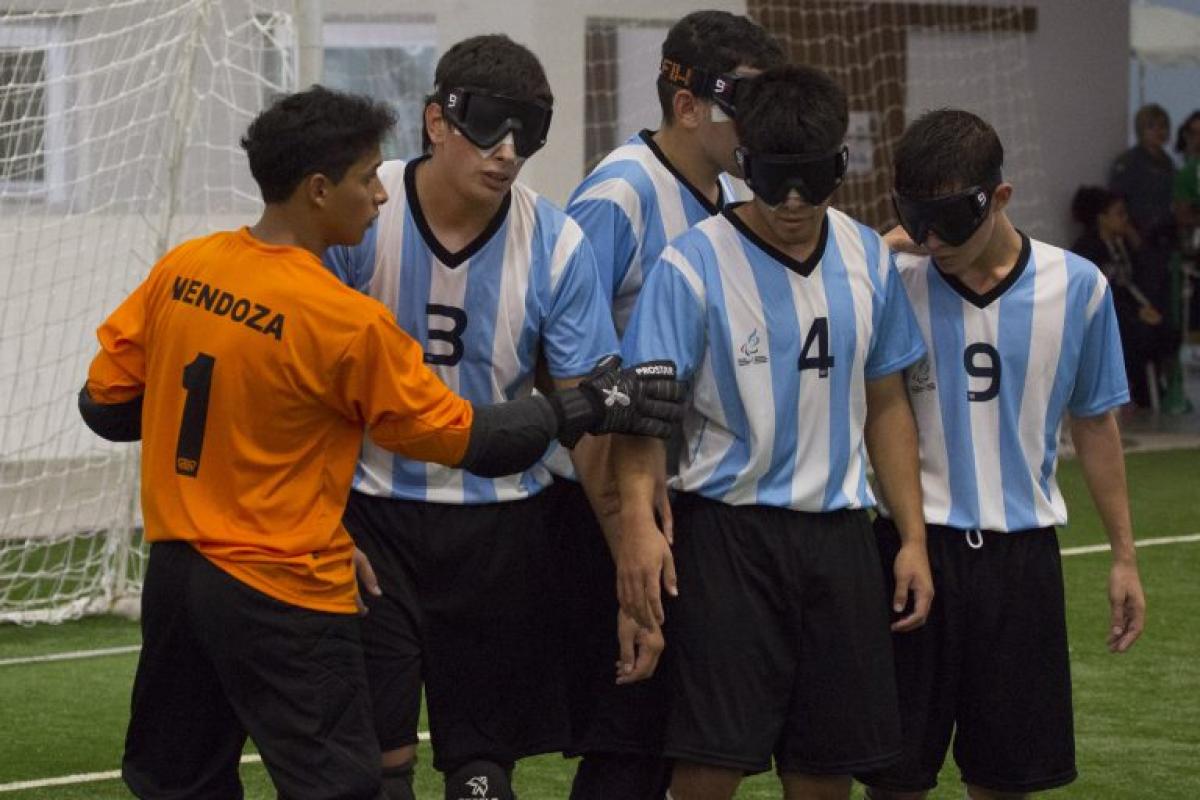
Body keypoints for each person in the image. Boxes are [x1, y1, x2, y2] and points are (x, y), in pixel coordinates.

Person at [78, 85, 684, 800]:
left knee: (179, 782)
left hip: (177, 579)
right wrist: (594, 401)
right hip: (282, 585)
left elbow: (106, 408)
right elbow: (473, 441)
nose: (380, 195)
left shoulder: (185, 267)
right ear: (317, 190)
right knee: (343, 787)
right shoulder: (344, 321)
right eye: (367, 178)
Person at [614, 64, 934, 800]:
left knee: (825, 767)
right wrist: (636, 517)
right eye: (772, 179)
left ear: (840, 168)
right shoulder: (689, 264)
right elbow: (644, 418)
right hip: (728, 537)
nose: (792, 202)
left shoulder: (867, 260)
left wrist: (911, 537)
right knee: (709, 760)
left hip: (841, 539)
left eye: (811, 180)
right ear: (745, 162)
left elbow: (886, 402)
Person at [322, 36, 627, 800]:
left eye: (529, 132)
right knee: (378, 766)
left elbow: (592, 416)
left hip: (500, 530)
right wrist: (318, 523)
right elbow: (306, 392)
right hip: (371, 520)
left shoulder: (557, 243)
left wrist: (630, 547)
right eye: (490, 126)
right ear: (435, 121)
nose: (508, 151)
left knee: (483, 773)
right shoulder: (365, 214)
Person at [859, 109, 1147, 800]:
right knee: (893, 777)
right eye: (917, 219)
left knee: (1008, 777)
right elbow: (824, 290)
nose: (932, 239)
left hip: (1021, 564)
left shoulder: (1078, 289)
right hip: (909, 548)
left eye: (950, 221)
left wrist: (1124, 556)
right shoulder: (892, 282)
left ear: (1002, 198)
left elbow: (1096, 426)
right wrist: (879, 246)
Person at [548, 11, 785, 800]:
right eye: (748, 106)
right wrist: (624, 532)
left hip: (681, 498)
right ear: (691, 107)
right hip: (611, 502)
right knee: (628, 738)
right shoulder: (621, 195)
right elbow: (570, 373)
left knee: (677, 730)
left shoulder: (731, 195)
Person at [1071, 185, 1176, 409]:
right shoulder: (1087, 250)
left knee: (1165, 329)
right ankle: (1133, 391)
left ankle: (1156, 390)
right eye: (1119, 214)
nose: (1125, 219)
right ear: (1102, 218)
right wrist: (1136, 312)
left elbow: (1140, 281)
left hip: (1132, 309)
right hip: (1110, 316)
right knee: (1139, 335)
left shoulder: (1125, 245)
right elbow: (1098, 293)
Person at [1110, 104, 1177, 318]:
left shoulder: (1168, 163)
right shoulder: (1129, 162)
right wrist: (1131, 234)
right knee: (1145, 295)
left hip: (1164, 238)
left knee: (1166, 296)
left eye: (1163, 126)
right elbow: (1117, 201)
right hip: (1139, 238)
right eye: (1152, 127)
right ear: (1141, 130)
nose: (1160, 132)